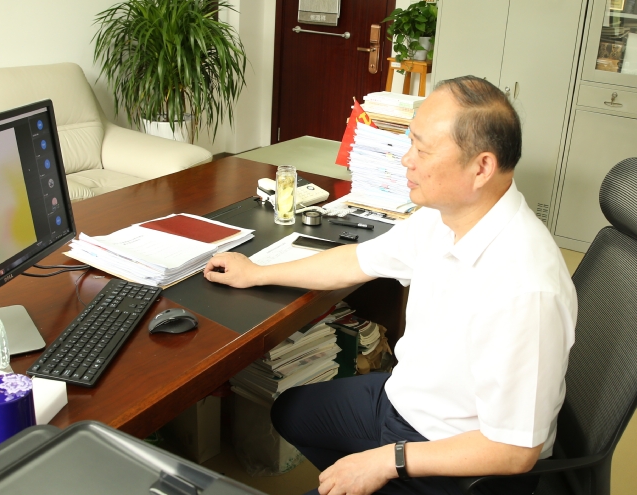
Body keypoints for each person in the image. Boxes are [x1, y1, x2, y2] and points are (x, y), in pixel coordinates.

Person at [203, 76, 577, 495]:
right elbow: (356, 260)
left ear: (481, 168)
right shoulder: (443, 215)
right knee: (290, 412)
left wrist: (386, 462)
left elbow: (514, 451)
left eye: (423, 149)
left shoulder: (525, 287)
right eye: (410, 142)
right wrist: (256, 272)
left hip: (455, 458)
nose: (406, 160)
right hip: (409, 399)